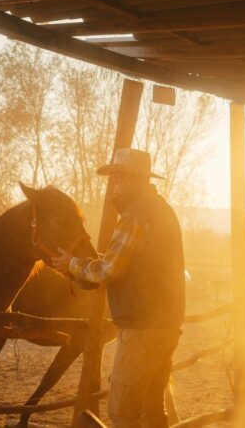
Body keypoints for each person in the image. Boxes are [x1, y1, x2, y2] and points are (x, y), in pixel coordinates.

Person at [52, 148, 186, 428]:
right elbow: (129, 264)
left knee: (123, 412)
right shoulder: (162, 210)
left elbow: (108, 270)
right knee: (153, 408)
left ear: (130, 179)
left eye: (117, 177)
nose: (114, 184)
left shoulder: (135, 216)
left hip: (142, 328)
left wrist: (73, 264)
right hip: (166, 325)